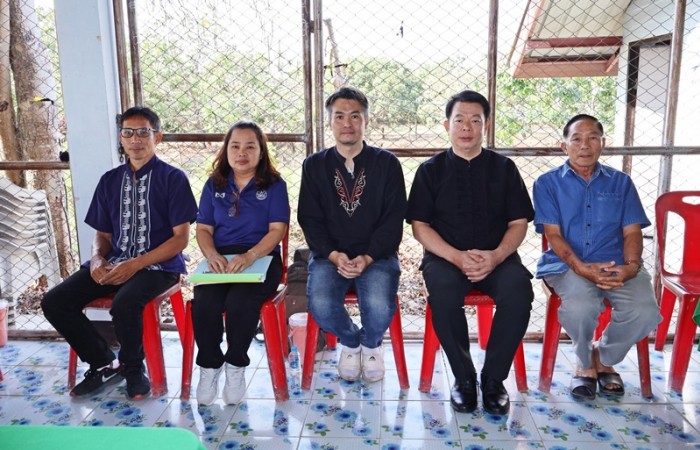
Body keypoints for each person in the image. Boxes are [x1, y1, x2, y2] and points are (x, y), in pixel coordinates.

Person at [41, 106, 198, 400]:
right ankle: (103, 363)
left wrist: (136, 264)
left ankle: (133, 368)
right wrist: (97, 259)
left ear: (157, 137)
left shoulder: (173, 179)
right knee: (55, 301)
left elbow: (180, 240)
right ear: (121, 138)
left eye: (143, 132)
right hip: (115, 262)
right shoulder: (110, 180)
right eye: (128, 132)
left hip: (159, 267)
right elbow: (102, 235)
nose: (135, 139)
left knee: (125, 303)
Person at [406, 90, 534, 415]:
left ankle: (494, 380)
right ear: (447, 125)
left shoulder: (504, 168)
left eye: (475, 120)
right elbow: (420, 226)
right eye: (459, 120)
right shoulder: (430, 170)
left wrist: (496, 256)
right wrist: (457, 257)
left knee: (519, 291)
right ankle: (464, 378)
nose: (467, 127)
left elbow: (519, 222)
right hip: (445, 258)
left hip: (497, 258)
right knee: (443, 293)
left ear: (485, 125)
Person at [533, 114, 661, 400]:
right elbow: (553, 234)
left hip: (617, 263)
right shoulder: (547, 183)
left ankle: (602, 357)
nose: (585, 145)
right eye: (576, 139)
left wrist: (632, 267)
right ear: (564, 146)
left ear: (603, 144)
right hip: (567, 265)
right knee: (580, 306)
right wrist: (581, 267)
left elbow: (632, 231)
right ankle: (584, 363)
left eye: (593, 138)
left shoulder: (621, 182)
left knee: (645, 311)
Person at [297, 86, 406, 383]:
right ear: (330, 122)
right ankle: (351, 341)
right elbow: (309, 218)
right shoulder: (314, 165)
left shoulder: (387, 164)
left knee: (380, 305)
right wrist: (333, 255)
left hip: (377, 255)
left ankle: (371, 344)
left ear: (365, 121)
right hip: (329, 256)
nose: (347, 123)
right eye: (339, 116)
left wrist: (368, 257)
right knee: (320, 304)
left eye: (355, 116)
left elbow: (394, 218)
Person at [193, 121, 289, 405]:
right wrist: (212, 255)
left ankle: (235, 365)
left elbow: (277, 230)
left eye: (250, 146)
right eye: (235, 146)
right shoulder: (214, 184)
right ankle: (209, 366)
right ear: (226, 150)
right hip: (221, 258)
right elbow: (203, 229)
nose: (241, 153)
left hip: (262, 258)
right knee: (205, 301)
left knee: (240, 301)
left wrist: (251, 256)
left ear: (261, 151)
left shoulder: (274, 185)